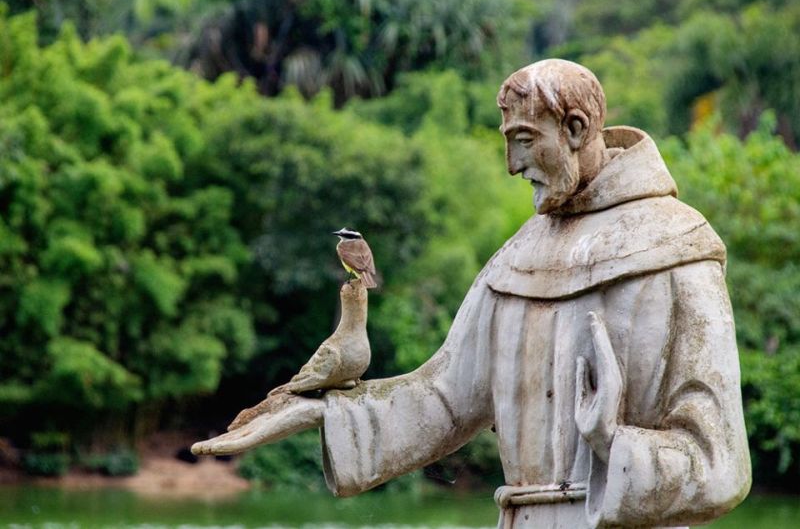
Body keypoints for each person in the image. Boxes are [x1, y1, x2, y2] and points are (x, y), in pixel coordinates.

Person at [193, 59, 751, 528]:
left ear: (577, 130)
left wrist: (613, 441)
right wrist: (324, 412)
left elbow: (721, 462)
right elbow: (443, 400)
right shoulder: (516, 259)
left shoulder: (677, 248)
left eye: (524, 141)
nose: (512, 166)